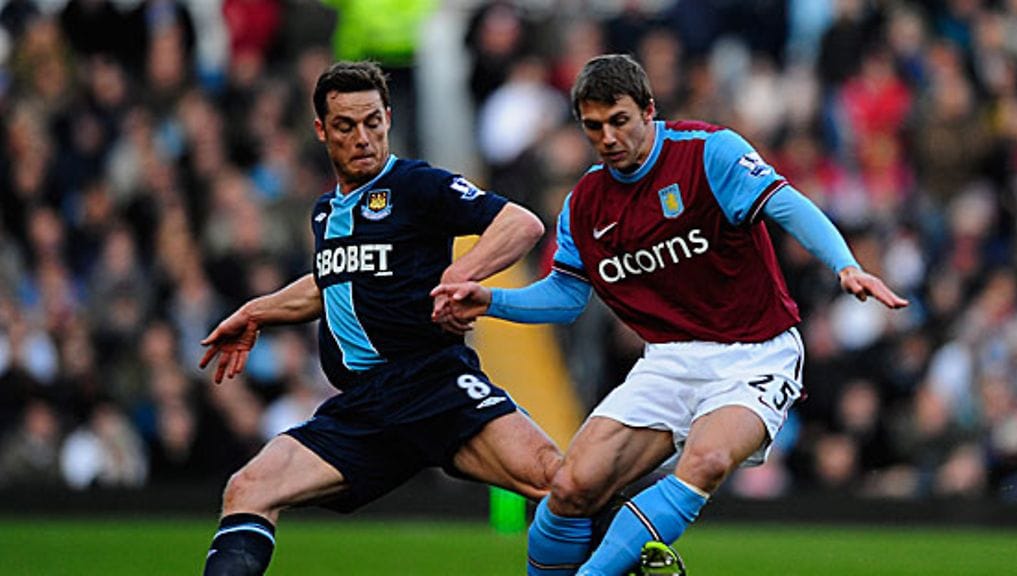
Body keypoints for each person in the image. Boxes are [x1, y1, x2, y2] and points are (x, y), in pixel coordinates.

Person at [431, 54, 908, 576]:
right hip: (671, 360)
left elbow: (786, 203)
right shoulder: (585, 204)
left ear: (648, 110)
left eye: (619, 121)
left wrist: (844, 265)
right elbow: (567, 296)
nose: (608, 138)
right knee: (570, 487)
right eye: (594, 127)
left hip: (757, 352)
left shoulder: (708, 152)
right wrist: (493, 300)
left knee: (704, 461)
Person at [198, 60, 562, 575]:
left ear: (389, 117)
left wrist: (459, 275)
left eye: (373, 121)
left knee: (557, 480)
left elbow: (520, 224)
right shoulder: (326, 212)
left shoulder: (415, 184)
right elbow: (330, 285)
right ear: (322, 130)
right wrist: (257, 312)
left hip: (433, 386)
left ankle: (638, 559)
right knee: (249, 488)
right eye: (346, 126)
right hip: (364, 410)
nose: (363, 137)